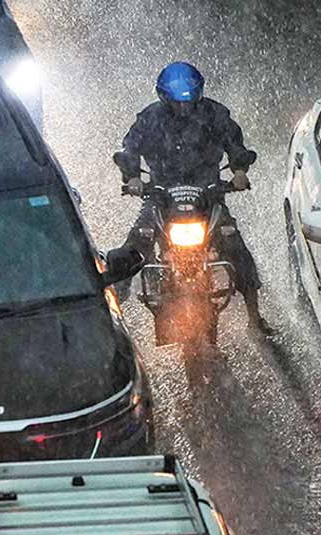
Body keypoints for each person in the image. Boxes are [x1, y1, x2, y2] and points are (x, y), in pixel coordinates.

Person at [113, 62, 274, 334]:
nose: (184, 109)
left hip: (208, 193)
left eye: (190, 102)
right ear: (164, 97)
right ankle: (113, 311)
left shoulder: (215, 114)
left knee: (235, 246)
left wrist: (239, 171)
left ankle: (254, 316)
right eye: (177, 103)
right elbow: (130, 148)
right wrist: (132, 177)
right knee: (134, 245)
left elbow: (235, 144)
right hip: (161, 194)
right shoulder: (150, 118)